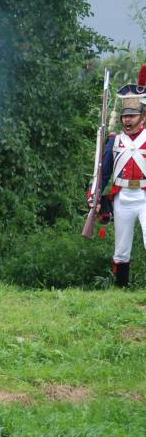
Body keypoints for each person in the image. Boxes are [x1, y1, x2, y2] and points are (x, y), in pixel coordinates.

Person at [93, 66, 146, 288]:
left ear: (142, 117)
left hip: (144, 196)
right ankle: (120, 290)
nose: (127, 120)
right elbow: (103, 172)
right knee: (121, 249)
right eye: (125, 116)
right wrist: (93, 196)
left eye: (132, 116)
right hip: (122, 197)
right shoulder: (114, 140)